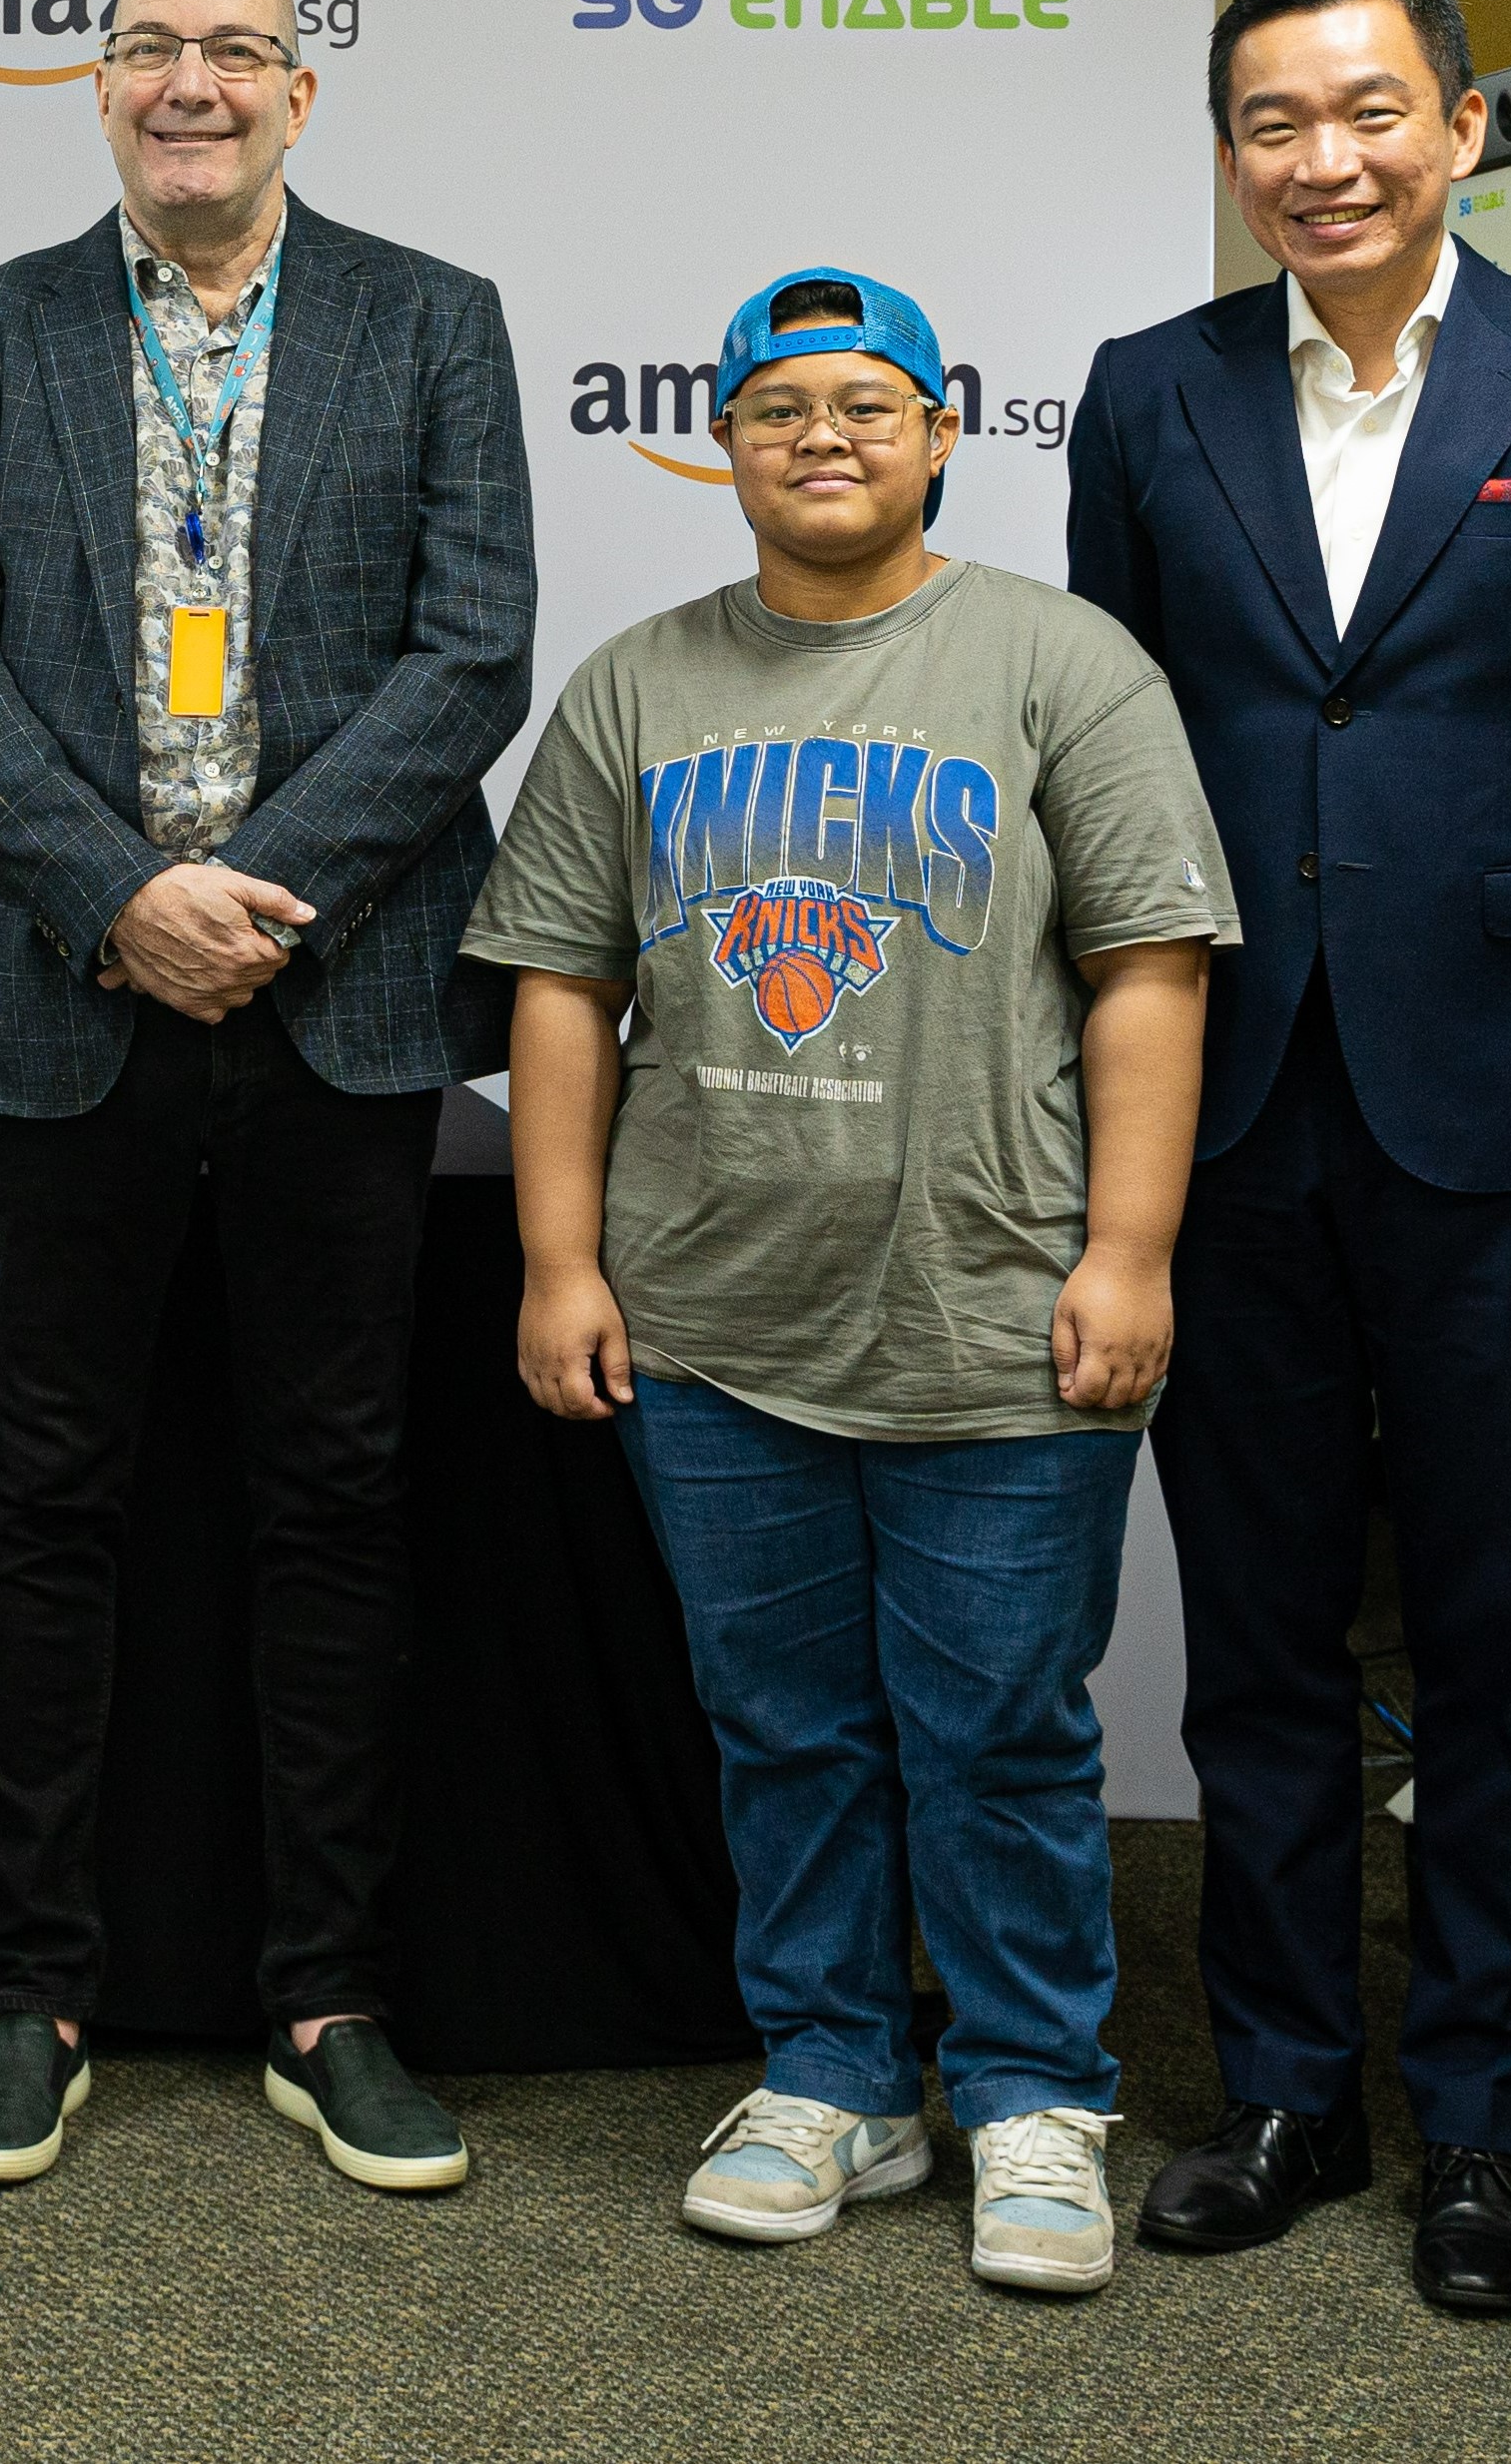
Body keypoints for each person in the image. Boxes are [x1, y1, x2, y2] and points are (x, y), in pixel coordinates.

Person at [1066, 0, 1511, 2316]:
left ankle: (1483, 2123)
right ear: (1227, 150)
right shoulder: (1146, 401)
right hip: (1227, 1103)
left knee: (1489, 1639)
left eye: (1364, 112)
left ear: (1458, 127)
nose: (1316, 161)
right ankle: (1278, 2085)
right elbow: (1113, 776)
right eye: (1268, 121)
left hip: (1508, 1097)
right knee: (1245, 1637)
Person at [477, 268, 1229, 2296]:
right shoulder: (636, 685)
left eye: (865, 404)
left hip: (996, 1309)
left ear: (937, 434)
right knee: (780, 1722)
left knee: (993, 1723)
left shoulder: (1060, 666)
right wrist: (559, 1257)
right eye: (777, 406)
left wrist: (1128, 1250)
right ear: (716, 440)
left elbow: (1148, 968)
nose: (822, 436)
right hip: (712, 1311)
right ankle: (827, 2067)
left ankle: (1028, 2092)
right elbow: (556, 983)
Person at [0, 0, 533, 2194]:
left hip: (334, 997)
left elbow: (470, 656)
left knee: (330, 1501)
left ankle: (327, 1994)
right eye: (147, 47)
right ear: (94, 86)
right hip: (62, 997)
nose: (189, 85)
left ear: (297, 92)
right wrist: (113, 897)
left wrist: (257, 894)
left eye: (231, 50)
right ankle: (26, 1990)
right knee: (38, 1501)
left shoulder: (430, 319)